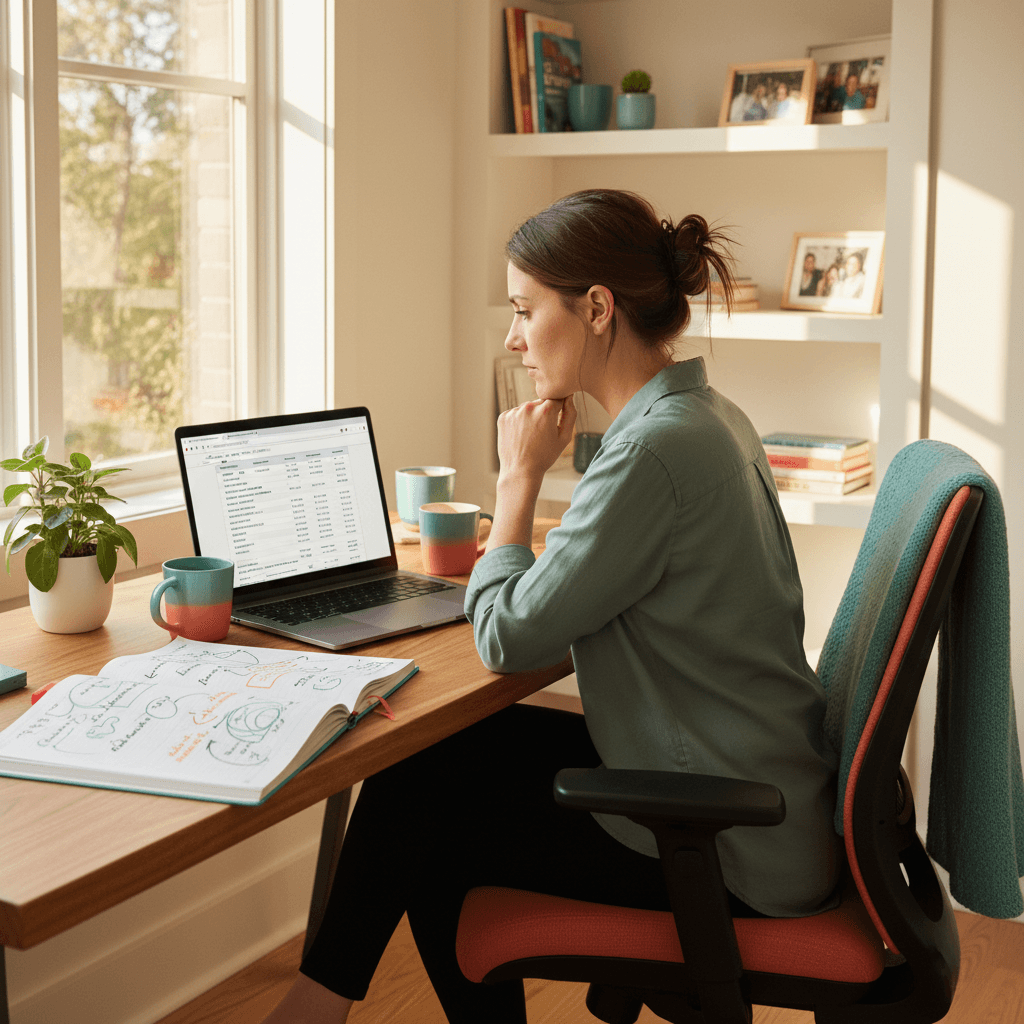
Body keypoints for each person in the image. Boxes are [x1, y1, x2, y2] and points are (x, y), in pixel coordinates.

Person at [260, 189, 841, 1024]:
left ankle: (314, 1005)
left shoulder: (652, 451)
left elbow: (503, 635)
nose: (512, 336)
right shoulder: (708, 417)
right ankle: (318, 1004)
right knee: (433, 754)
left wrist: (517, 477)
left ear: (597, 309)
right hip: (767, 800)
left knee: (431, 813)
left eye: (525, 309)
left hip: (723, 845)